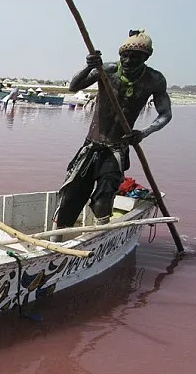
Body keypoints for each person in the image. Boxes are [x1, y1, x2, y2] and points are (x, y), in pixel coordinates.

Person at [50, 30, 171, 239]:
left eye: (135, 57)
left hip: (116, 149)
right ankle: (54, 241)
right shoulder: (107, 70)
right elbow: (73, 86)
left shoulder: (154, 79)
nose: (129, 60)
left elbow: (165, 114)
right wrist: (89, 65)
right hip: (92, 146)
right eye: (125, 55)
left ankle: (97, 239)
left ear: (146, 58)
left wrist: (143, 133)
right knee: (70, 196)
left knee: (102, 200)